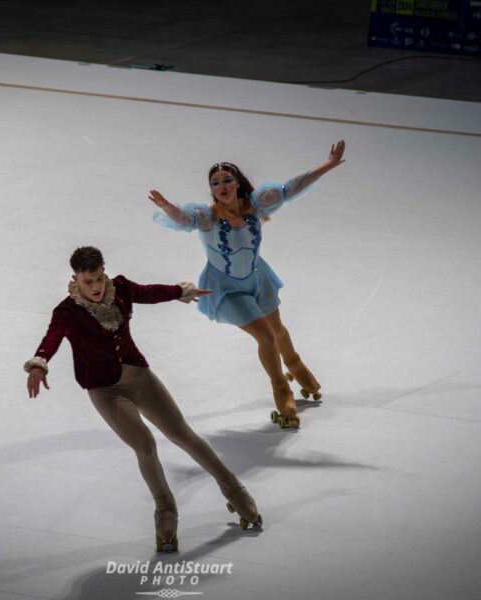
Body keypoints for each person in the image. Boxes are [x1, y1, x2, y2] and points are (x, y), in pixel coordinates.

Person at [24, 246, 262, 553]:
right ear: (75, 279)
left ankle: (234, 489)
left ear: (104, 271)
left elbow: (148, 292)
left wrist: (179, 291)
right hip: (106, 390)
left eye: (99, 278)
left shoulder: (119, 288)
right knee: (145, 445)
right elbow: (51, 339)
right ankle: (166, 510)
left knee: (182, 435)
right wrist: (39, 363)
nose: (96, 287)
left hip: (139, 377)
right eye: (88, 281)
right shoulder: (67, 312)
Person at [148, 140, 346, 429]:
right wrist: (169, 208)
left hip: (257, 278)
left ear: (238, 183)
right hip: (224, 288)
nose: (222, 185)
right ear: (212, 189)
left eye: (227, 179)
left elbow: (292, 187)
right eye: (215, 182)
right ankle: (281, 388)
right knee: (266, 336)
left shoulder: (256, 204)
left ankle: (295, 363)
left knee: (277, 329)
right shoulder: (207, 217)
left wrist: (326, 166)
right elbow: (184, 218)